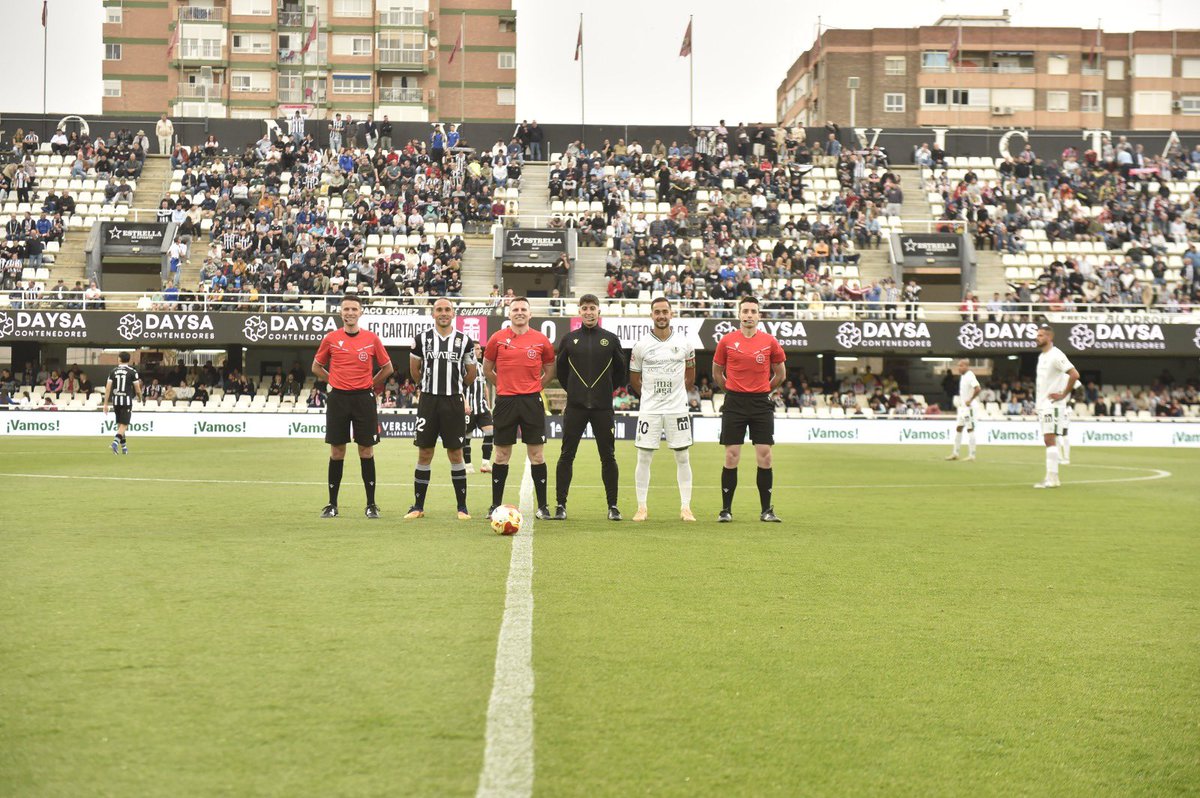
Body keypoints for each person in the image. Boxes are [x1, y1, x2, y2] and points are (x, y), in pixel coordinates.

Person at [312, 294, 395, 518]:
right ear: (340, 312)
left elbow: (387, 368)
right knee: (337, 451)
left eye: (354, 309)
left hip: (363, 399)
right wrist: (333, 380)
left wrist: (370, 383)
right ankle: (332, 504)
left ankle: (370, 504)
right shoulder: (330, 338)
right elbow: (316, 366)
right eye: (346, 309)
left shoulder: (371, 339)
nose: (350, 313)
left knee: (366, 450)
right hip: (338, 399)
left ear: (360, 312)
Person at [550, 293, 625, 521]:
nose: (589, 312)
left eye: (593, 308)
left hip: (603, 408)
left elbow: (620, 372)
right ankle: (561, 505)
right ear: (579, 312)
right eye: (585, 308)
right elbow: (561, 371)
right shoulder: (569, 339)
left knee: (608, 457)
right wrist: (575, 391)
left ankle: (613, 506)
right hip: (576, 407)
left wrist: (605, 391)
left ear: (598, 311)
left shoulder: (611, 340)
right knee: (566, 455)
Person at [712, 296, 786, 522]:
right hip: (734, 403)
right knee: (731, 456)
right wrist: (732, 391)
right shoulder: (726, 341)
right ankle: (726, 510)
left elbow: (780, 374)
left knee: (765, 457)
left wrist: (764, 390)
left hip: (760, 404)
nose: (749, 315)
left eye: (753, 311)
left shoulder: (770, 341)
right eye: (745, 311)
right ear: (739, 314)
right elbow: (717, 373)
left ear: (759, 315)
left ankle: (766, 510)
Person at [482, 297, 556, 519]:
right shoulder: (497, 339)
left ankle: (542, 506)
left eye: (524, 309)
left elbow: (550, 371)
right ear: (509, 313)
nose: (520, 312)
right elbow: (487, 369)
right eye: (515, 309)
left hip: (531, 402)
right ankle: (495, 505)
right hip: (505, 402)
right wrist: (504, 386)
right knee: (502, 454)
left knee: (537, 455)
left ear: (530, 314)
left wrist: (533, 389)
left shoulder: (541, 340)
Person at [405, 298, 477, 521]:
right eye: (439, 310)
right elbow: (415, 371)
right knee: (425, 452)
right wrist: (427, 386)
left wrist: (456, 388)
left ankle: (462, 507)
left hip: (453, 402)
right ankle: (418, 506)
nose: (443, 313)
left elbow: (471, 373)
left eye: (447, 309)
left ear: (453, 314)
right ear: (433, 314)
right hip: (428, 402)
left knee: (455, 453)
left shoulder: (465, 341)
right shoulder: (421, 339)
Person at [629, 297, 696, 522]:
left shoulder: (685, 343)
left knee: (683, 456)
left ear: (671, 313)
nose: (661, 316)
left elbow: (690, 375)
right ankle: (641, 507)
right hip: (650, 409)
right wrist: (652, 397)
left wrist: (675, 395)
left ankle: (686, 508)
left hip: (677, 409)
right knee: (644, 456)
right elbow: (635, 379)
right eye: (657, 312)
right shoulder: (641, 346)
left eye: (664, 311)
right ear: (651, 315)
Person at [1033, 323, 1080, 489]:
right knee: (1049, 440)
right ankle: (1050, 477)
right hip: (1044, 405)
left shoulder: (1056, 355)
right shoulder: (1042, 357)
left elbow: (1074, 374)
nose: (1037, 338)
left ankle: (1053, 479)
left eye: (1040, 335)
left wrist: (1064, 394)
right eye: (1037, 335)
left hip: (1053, 405)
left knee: (1049, 440)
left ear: (1049, 337)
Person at [462, 343, 494, 474]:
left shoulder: (481, 367)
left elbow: (485, 386)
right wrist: (464, 403)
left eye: (480, 348)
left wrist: (488, 404)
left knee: (491, 432)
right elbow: (459, 387)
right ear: (471, 351)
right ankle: (468, 465)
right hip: (468, 408)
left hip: (482, 408)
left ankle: (485, 464)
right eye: (477, 348)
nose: (480, 351)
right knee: (467, 437)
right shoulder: (464, 368)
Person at [102, 352, 143, 454]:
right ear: (128, 360)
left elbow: (108, 388)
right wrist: (140, 398)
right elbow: (137, 389)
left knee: (120, 424)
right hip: (126, 401)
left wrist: (106, 404)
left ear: (119, 359)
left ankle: (124, 448)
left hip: (116, 400)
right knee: (124, 424)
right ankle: (115, 443)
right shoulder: (132, 371)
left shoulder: (113, 371)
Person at [946, 359, 980, 461]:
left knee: (970, 429)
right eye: (958, 366)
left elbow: (978, 388)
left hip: (969, 408)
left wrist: (970, 400)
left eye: (960, 366)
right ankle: (955, 453)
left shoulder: (970, 375)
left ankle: (972, 455)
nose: (958, 368)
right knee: (959, 428)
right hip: (963, 408)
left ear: (966, 366)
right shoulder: (963, 376)